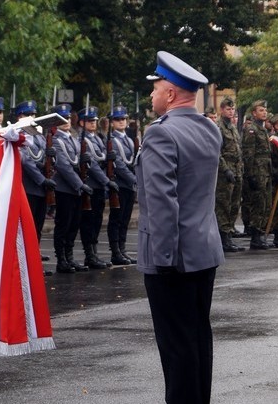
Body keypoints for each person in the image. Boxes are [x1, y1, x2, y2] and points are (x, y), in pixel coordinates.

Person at [140, 51, 224, 404]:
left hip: (172, 257)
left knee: (176, 348)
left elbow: (163, 203)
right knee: (197, 340)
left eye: (156, 88)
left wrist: (163, 259)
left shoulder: (161, 134)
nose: (152, 95)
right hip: (203, 251)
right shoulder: (209, 128)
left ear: (171, 93)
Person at [51, 104, 91, 273]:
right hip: (64, 189)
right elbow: (64, 166)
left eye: (67, 118)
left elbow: (78, 162)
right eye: (61, 119)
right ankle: (61, 259)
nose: (66, 121)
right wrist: (80, 184)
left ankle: (70, 257)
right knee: (63, 224)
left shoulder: (74, 139)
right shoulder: (55, 140)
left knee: (74, 224)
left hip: (75, 189)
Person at [78, 106, 118, 269]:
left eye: (94, 121)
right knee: (88, 221)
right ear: (82, 123)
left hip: (99, 186)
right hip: (91, 184)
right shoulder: (83, 140)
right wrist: (106, 181)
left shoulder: (98, 139)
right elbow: (92, 165)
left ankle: (94, 252)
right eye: (89, 121)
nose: (93, 123)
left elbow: (102, 160)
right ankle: (89, 254)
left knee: (97, 220)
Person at [16, 100, 54, 264]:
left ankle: (34, 253)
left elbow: (43, 159)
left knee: (38, 224)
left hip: (41, 187)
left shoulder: (38, 135)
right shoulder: (19, 133)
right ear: (20, 117)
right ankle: (27, 259)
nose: (31, 117)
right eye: (27, 115)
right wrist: (42, 180)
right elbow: (25, 161)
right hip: (30, 186)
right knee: (28, 226)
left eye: (33, 115)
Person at [105, 105, 138, 265]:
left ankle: (123, 249)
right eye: (117, 119)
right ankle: (115, 251)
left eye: (123, 119)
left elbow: (135, 160)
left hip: (130, 185)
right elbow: (118, 163)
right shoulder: (111, 141)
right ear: (112, 122)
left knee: (125, 218)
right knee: (116, 219)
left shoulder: (130, 140)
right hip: (120, 184)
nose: (121, 122)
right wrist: (134, 179)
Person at [242, 99, 274, 249]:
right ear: (254, 113)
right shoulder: (252, 130)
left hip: (266, 172)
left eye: (265, 110)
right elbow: (249, 154)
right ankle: (255, 236)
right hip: (257, 173)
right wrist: (250, 175)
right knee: (258, 204)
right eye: (261, 110)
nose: (264, 113)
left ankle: (260, 234)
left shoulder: (263, 130)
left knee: (265, 204)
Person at [214, 98, 245, 252]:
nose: (231, 112)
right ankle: (223, 237)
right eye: (228, 109)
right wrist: (226, 170)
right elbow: (217, 153)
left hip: (237, 170)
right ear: (222, 110)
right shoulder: (218, 127)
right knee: (223, 205)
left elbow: (238, 151)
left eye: (232, 109)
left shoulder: (232, 127)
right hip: (225, 172)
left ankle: (229, 234)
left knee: (234, 204)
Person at [267, 114, 278, 247]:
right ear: (276, 126)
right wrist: (277, 174)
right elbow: (270, 161)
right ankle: (277, 235)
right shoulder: (273, 141)